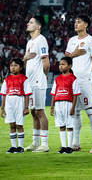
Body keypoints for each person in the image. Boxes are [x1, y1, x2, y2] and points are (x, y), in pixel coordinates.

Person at [65, 14, 92, 153]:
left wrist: (85, 72)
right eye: (75, 21)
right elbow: (66, 59)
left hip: (85, 81)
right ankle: (75, 143)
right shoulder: (72, 40)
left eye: (79, 22)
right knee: (76, 112)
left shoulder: (91, 41)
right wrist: (74, 54)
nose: (76, 24)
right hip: (72, 80)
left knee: (90, 111)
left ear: (86, 25)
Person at [23, 16, 50, 153]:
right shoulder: (30, 42)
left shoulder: (41, 40)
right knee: (33, 112)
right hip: (30, 81)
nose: (28, 23)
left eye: (32, 22)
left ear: (38, 27)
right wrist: (25, 58)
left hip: (38, 81)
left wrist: (43, 77)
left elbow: (46, 63)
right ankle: (35, 142)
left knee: (40, 111)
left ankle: (44, 144)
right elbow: (25, 62)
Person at [1, 58, 31, 153]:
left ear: (21, 67)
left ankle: (20, 147)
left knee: (19, 124)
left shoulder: (24, 79)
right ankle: (13, 146)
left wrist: (26, 107)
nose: (13, 68)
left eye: (15, 65)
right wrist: (2, 108)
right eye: (11, 65)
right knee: (12, 124)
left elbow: (27, 94)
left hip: (19, 101)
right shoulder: (7, 79)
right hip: (9, 101)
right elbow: (4, 94)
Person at [50, 57, 80, 154]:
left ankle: (69, 147)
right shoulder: (57, 79)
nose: (60, 66)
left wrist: (73, 107)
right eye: (60, 64)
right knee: (61, 125)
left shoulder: (73, 79)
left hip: (68, 103)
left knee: (69, 125)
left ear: (70, 66)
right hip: (58, 104)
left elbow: (75, 94)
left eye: (63, 64)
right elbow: (54, 93)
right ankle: (63, 146)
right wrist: (52, 107)